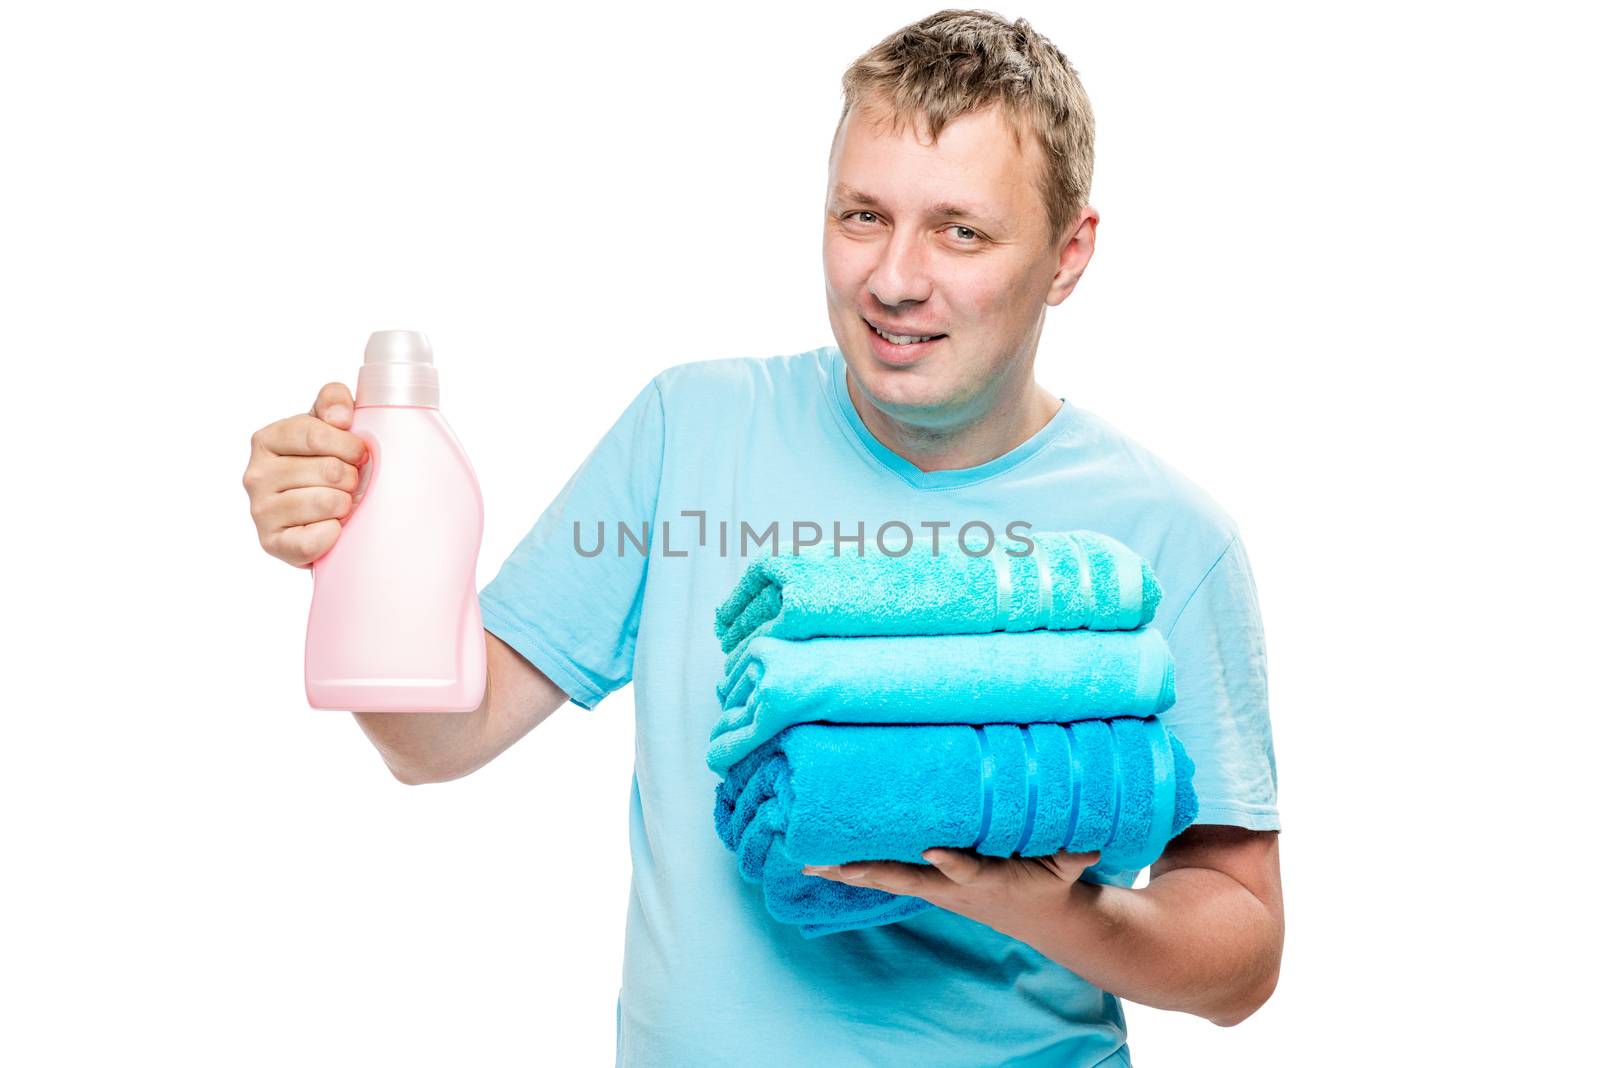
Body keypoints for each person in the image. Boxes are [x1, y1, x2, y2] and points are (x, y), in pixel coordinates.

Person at [242, 10, 1282, 1065]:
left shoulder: (1163, 536)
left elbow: (1241, 963)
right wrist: (355, 547)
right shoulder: (691, 432)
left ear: (1068, 253)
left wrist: (1041, 907)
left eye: (960, 230)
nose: (893, 278)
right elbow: (435, 742)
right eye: (861, 215)